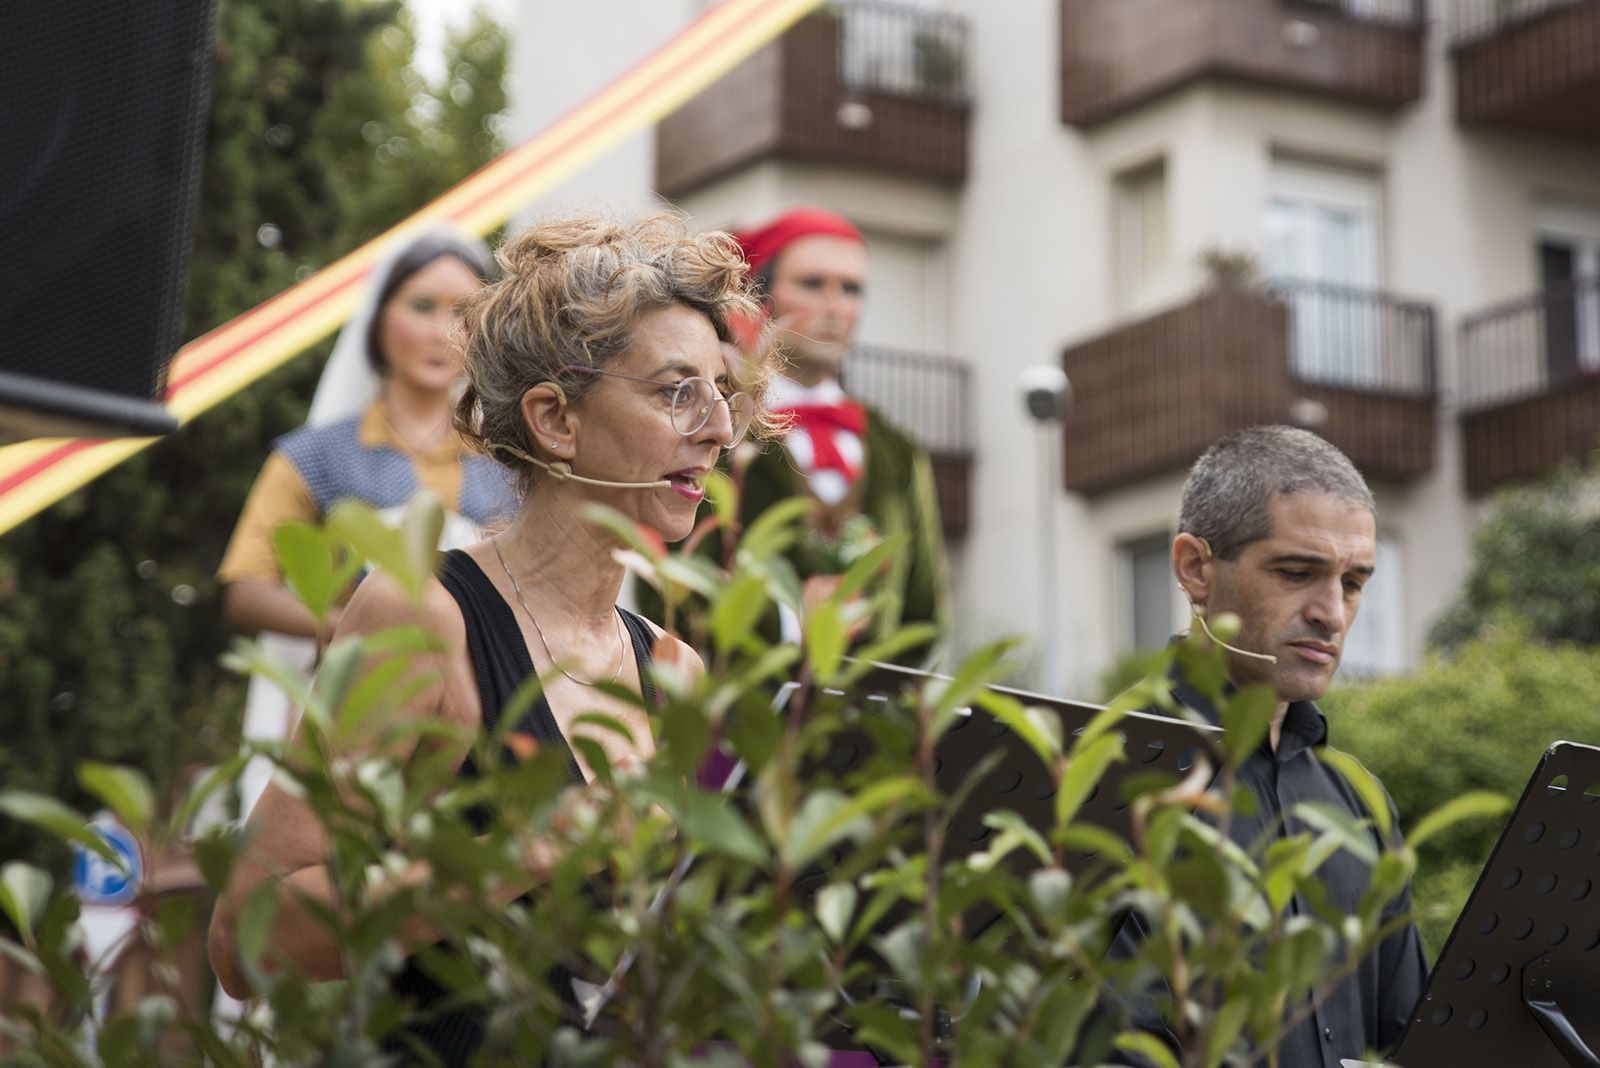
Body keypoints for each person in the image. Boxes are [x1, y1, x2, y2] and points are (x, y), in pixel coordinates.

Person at [207, 213, 773, 1064]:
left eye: (722, 392)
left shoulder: (672, 666)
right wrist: (537, 846)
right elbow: (245, 942)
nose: (720, 430)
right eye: (674, 391)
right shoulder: (421, 614)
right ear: (554, 419)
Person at [1112, 425, 1426, 1067]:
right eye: (1297, 573)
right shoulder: (1108, 774)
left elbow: (1407, 1042)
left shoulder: (1360, 801)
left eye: (1353, 583)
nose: (1332, 613)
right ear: (1195, 569)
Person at [642, 207, 949, 643]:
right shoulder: (711, 428)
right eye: (812, 284)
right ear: (760, 296)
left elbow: (926, 617)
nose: (834, 306)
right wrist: (790, 622)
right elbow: (670, 589)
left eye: (851, 289)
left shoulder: (900, 451)